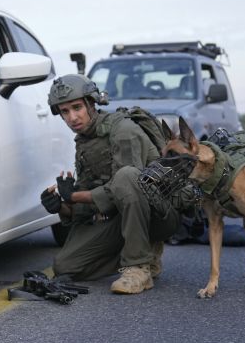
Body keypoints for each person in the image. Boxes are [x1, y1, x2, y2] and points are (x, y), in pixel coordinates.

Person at [40, 75, 184, 294]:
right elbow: (89, 206)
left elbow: (128, 185)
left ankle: (138, 267)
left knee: (126, 176)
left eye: (77, 107)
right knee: (65, 266)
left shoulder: (123, 130)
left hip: (159, 215)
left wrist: (75, 196)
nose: (72, 117)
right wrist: (61, 205)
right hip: (121, 215)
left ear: (91, 103)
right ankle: (143, 250)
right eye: (65, 112)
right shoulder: (85, 140)